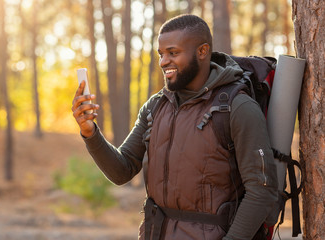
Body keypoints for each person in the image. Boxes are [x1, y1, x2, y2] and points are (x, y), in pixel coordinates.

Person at [72, 14, 278, 240]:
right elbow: (122, 170)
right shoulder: (155, 106)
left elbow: (262, 191)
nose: (163, 62)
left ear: (202, 51)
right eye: (161, 54)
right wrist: (90, 132)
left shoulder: (236, 107)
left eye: (173, 53)